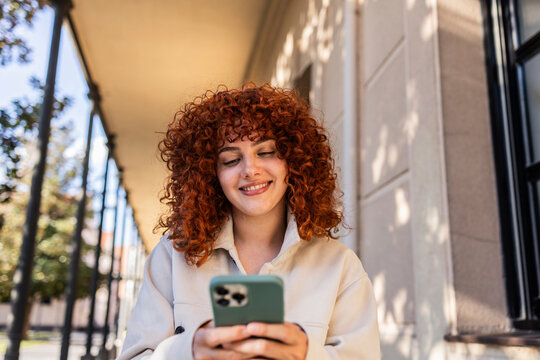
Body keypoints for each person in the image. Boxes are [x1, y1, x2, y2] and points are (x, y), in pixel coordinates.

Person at [117, 84, 380, 359]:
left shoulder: (340, 266)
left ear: (294, 162)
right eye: (231, 159)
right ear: (210, 174)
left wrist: (306, 354)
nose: (250, 170)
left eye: (265, 152)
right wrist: (190, 349)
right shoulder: (173, 256)